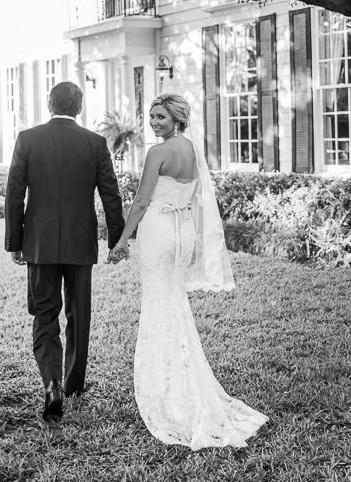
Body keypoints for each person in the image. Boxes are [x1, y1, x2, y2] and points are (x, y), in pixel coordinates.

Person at [109, 92, 268, 449]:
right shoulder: (191, 150)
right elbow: (194, 196)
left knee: (158, 303)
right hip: (182, 232)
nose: (154, 122)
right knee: (173, 303)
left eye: (161, 117)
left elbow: (142, 201)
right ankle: (181, 379)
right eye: (151, 116)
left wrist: (122, 240)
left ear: (177, 119)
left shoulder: (158, 152)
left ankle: (167, 391)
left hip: (159, 232)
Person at [5, 81, 125, 423]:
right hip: (80, 242)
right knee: (78, 313)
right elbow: (110, 195)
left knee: (44, 313)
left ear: (48, 103)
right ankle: (73, 383)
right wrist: (115, 239)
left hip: (39, 244)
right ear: (80, 107)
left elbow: (14, 192)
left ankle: (52, 384)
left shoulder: (28, 139)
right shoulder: (95, 142)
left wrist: (16, 241)